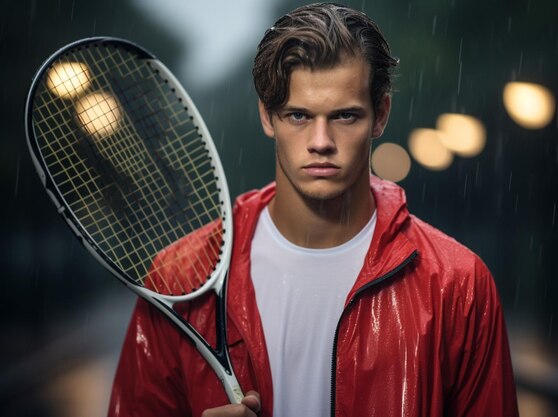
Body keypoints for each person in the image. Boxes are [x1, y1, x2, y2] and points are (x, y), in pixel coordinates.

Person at [108, 3, 519, 417]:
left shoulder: (457, 284)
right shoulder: (180, 277)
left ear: (381, 116)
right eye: (299, 116)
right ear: (267, 116)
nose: (321, 140)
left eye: (345, 116)